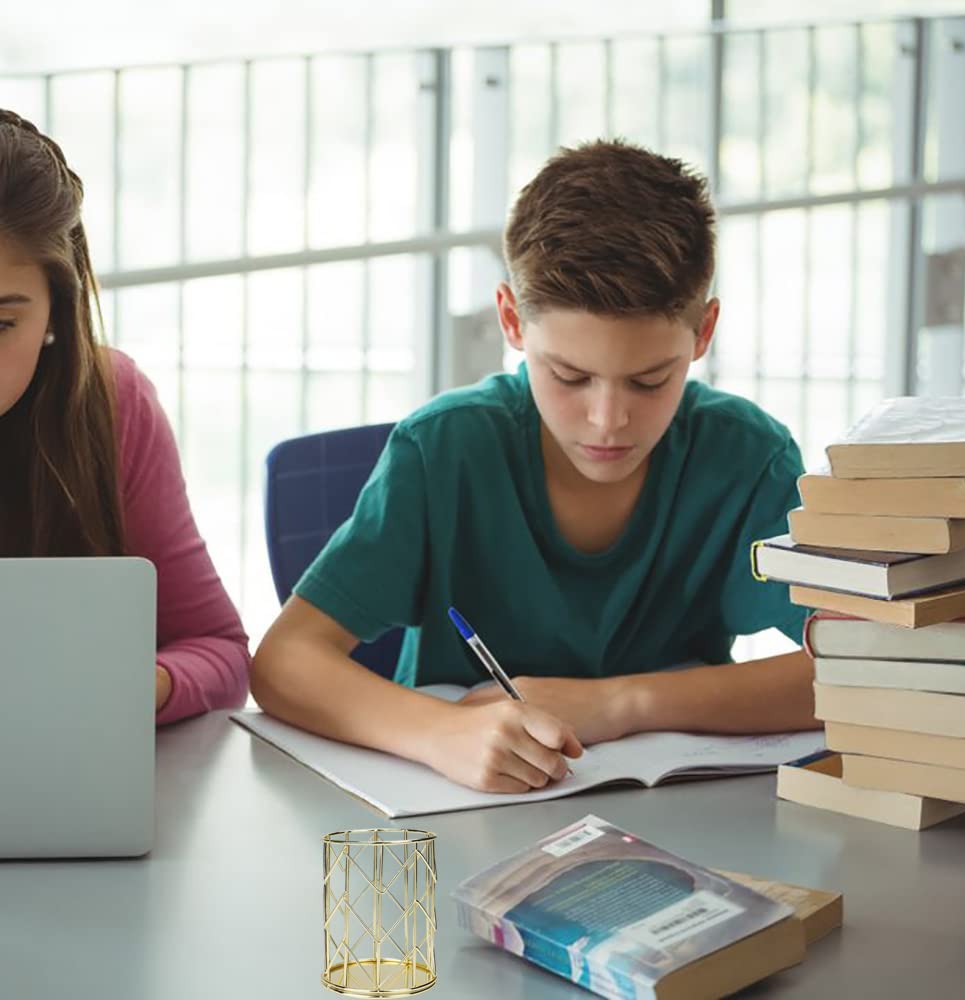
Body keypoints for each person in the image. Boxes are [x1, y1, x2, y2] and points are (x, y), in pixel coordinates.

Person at [251, 139, 818, 793]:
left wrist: (622, 703)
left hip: (678, 820)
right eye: (570, 375)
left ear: (704, 332)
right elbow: (283, 661)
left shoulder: (747, 457)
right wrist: (440, 733)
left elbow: (875, 665)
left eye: (650, 380)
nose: (609, 420)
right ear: (512, 320)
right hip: (464, 810)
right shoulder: (444, 450)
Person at [0, 109, 249, 724]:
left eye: (1, 324)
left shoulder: (109, 405)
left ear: (58, 313)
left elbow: (221, 653)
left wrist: (139, 685)